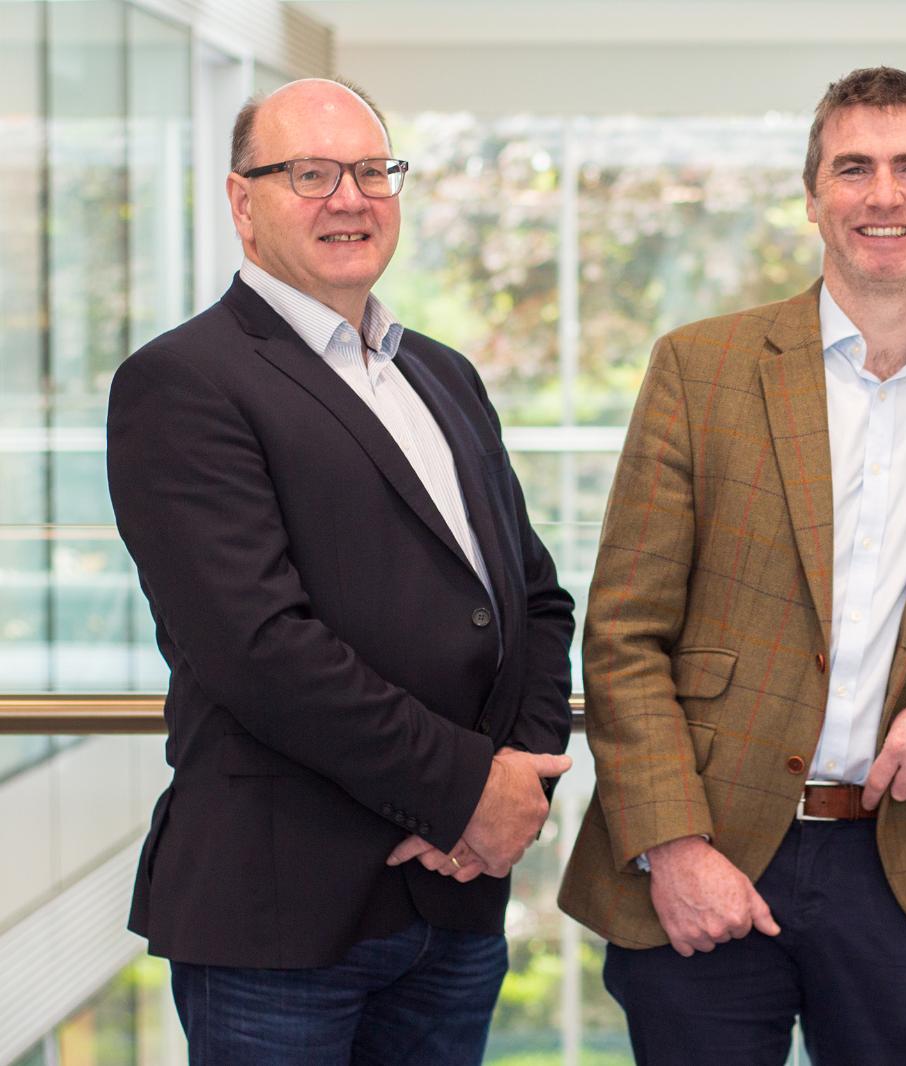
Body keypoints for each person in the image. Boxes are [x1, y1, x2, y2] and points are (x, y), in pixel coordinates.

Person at [557, 66, 906, 1065]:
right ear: (811, 196)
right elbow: (623, 634)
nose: (884, 195)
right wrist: (672, 843)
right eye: (853, 168)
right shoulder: (699, 368)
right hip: (706, 852)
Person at [106, 78, 574, 1065]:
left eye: (371, 171)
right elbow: (259, 649)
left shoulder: (442, 374)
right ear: (243, 202)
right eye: (311, 175)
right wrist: (467, 792)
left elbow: (531, 600)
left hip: (453, 901)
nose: (350, 198)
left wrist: (516, 787)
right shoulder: (182, 382)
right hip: (282, 920)